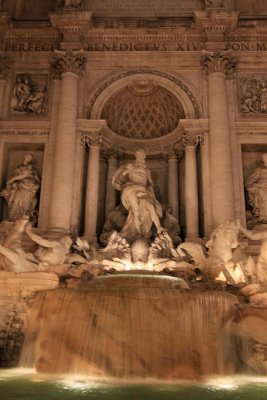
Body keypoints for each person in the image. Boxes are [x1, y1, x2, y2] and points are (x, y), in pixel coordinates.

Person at [112, 149, 163, 242]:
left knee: (150, 206)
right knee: (136, 212)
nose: (140, 159)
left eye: (142, 157)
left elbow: (150, 183)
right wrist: (119, 183)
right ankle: (139, 234)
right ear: (136, 157)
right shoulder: (131, 166)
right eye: (139, 157)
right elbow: (121, 175)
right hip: (131, 189)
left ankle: (159, 227)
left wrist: (151, 189)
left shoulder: (147, 170)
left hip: (143, 191)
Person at [0, 153, 40, 221]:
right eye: (27, 157)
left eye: (30, 158)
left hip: (28, 187)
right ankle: (13, 218)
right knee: (16, 201)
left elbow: (26, 175)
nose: (28, 158)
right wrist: (13, 183)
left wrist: (13, 179)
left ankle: (23, 219)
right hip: (19, 186)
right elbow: (17, 176)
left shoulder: (30, 167)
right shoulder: (19, 167)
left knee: (26, 203)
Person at [246, 153, 267, 223]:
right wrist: (253, 186)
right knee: (264, 203)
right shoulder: (259, 169)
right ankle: (264, 218)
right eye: (265, 158)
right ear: (263, 160)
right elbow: (251, 180)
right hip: (262, 189)